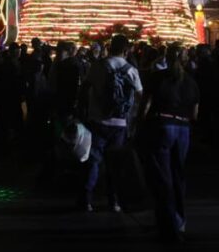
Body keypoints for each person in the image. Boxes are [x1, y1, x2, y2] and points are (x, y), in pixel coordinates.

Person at [139, 44, 199, 242]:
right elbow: (194, 113)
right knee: (178, 175)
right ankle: (180, 221)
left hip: (161, 125)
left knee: (162, 179)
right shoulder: (190, 81)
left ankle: (168, 226)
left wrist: (140, 123)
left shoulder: (157, 77)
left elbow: (145, 104)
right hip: (182, 129)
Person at [78, 34, 142, 212]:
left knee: (94, 160)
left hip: (97, 119)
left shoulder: (98, 66)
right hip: (120, 123)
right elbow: (140, 95)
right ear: (126, 50)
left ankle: (86, 199)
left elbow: (84, 88)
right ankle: (114, 201)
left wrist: (83, 110)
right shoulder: (130, 69)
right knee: (115, 164)